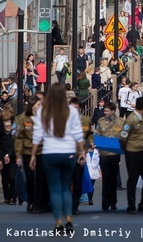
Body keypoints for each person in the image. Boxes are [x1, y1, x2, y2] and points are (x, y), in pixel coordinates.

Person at [30, 83, 86, 236]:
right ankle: (69, 219)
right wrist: (82, 151)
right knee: (65, 187)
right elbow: (78, 133)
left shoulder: (43, 111)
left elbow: (37, 135)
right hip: (68, 152)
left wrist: (34, 155)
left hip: (49, 153)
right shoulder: (71, 112)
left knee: (54, 189)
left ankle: (58, 223)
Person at [95, 101, 123, 211]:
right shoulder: (101, 121)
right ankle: (105, 202)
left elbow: (124, 135)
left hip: (115, 154)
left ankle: (113, 202)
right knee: (106, 178)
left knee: (113, 178)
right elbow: (97, 134)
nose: (105, 113)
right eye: (104, 111)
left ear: (113, 111)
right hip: (104, 154)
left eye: (107, 111)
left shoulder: (121, 122)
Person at [69, 97, 93, 216]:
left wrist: (90, 143)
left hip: (79, 154)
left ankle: (75, 206)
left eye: (76, 108)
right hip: (67, 154)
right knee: (67, 182)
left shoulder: (86, 120)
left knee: (77, 181)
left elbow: (89, 134)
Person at [0, 117, 17, 205]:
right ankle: (7, 198)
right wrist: (2, 158)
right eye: (6, 126)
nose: (8, 127)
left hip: (12, 159)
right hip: (3, 159)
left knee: (12, 178)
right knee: (5, 179)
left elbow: (14, 147)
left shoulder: (14, 136)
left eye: (9, 126)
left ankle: (12, 198)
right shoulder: (2, 136)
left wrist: (8, 155)